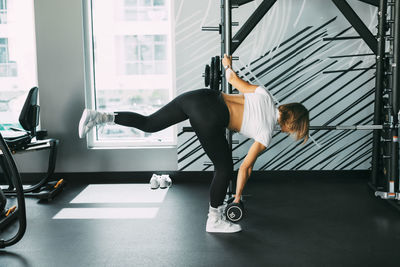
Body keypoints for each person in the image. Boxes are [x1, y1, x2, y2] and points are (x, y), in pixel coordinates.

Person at [78, 54, 309, 233]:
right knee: (225, 168)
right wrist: (237, 198)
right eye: (295, 130)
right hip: (210, 115)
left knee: (150, 123)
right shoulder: (266, 132)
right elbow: (246, 167)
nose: (291, 133)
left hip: (202, 96)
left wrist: (228, 64)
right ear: (291, 123)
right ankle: (214, 220)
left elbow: (231, 79)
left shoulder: (265, 95)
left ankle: (100, 117)